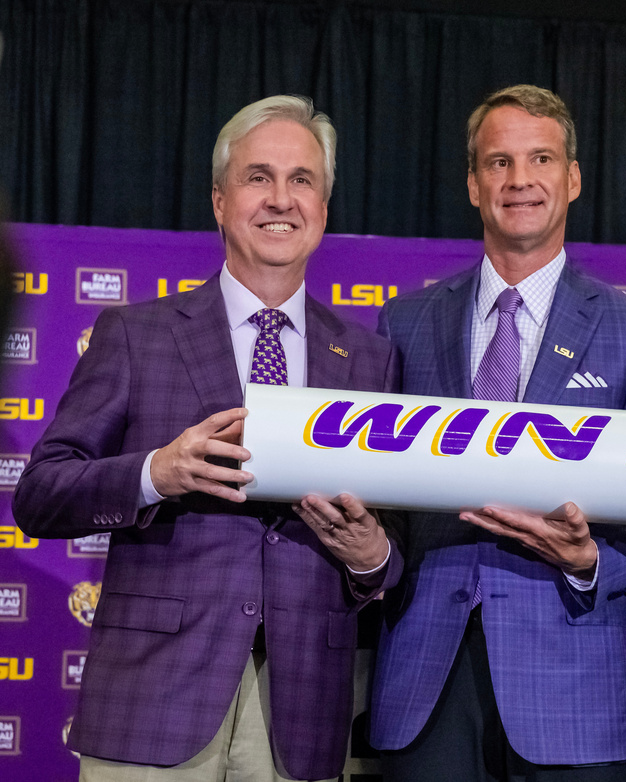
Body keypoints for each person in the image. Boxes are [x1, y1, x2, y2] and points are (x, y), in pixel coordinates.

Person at [13, 95, 400, 781]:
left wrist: (372, 556)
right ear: (220, 201)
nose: (281, 199)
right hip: (152, 705)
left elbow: (396, 546)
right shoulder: (135, 334)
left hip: (304, 715)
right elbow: (41, 494)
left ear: (325, 209)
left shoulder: (371, 362)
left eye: (302, 180)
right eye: (259, 177)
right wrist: (155, 473)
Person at [370, 84, 626, 781]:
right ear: (474, 183)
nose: (519, 180)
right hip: (427, 681)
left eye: (540, 159)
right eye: (499, 162)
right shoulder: (406, 323)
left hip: (573, 690)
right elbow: (382, 506)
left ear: (571, 178)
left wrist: (587, 561)